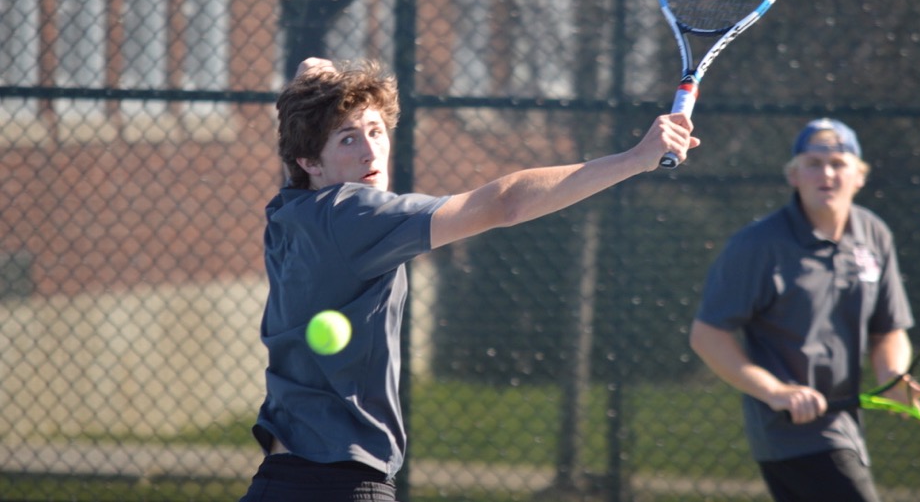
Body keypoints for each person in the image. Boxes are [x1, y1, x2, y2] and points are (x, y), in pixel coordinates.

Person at [240, 57, 701, 502]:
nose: (369, 150)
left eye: (376, 131)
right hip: (339, 485)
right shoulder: (354, 214)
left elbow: (307, 69)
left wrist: (319, 87)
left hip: (279, 478)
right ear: (310, 162)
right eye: (347, 140)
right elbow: (505, 204)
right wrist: (637, 158)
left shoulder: (290, 210)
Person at [688, 118, 920, 502]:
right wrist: (776, 391)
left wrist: (893, 375)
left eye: (839, 163)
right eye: (813, 163)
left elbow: (888, 330)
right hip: (788, 432)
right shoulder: (757, 246)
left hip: (846, 426)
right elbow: (707, 336)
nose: (826, 173)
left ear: (859, 176)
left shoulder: (874, 234)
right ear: (794, 176)